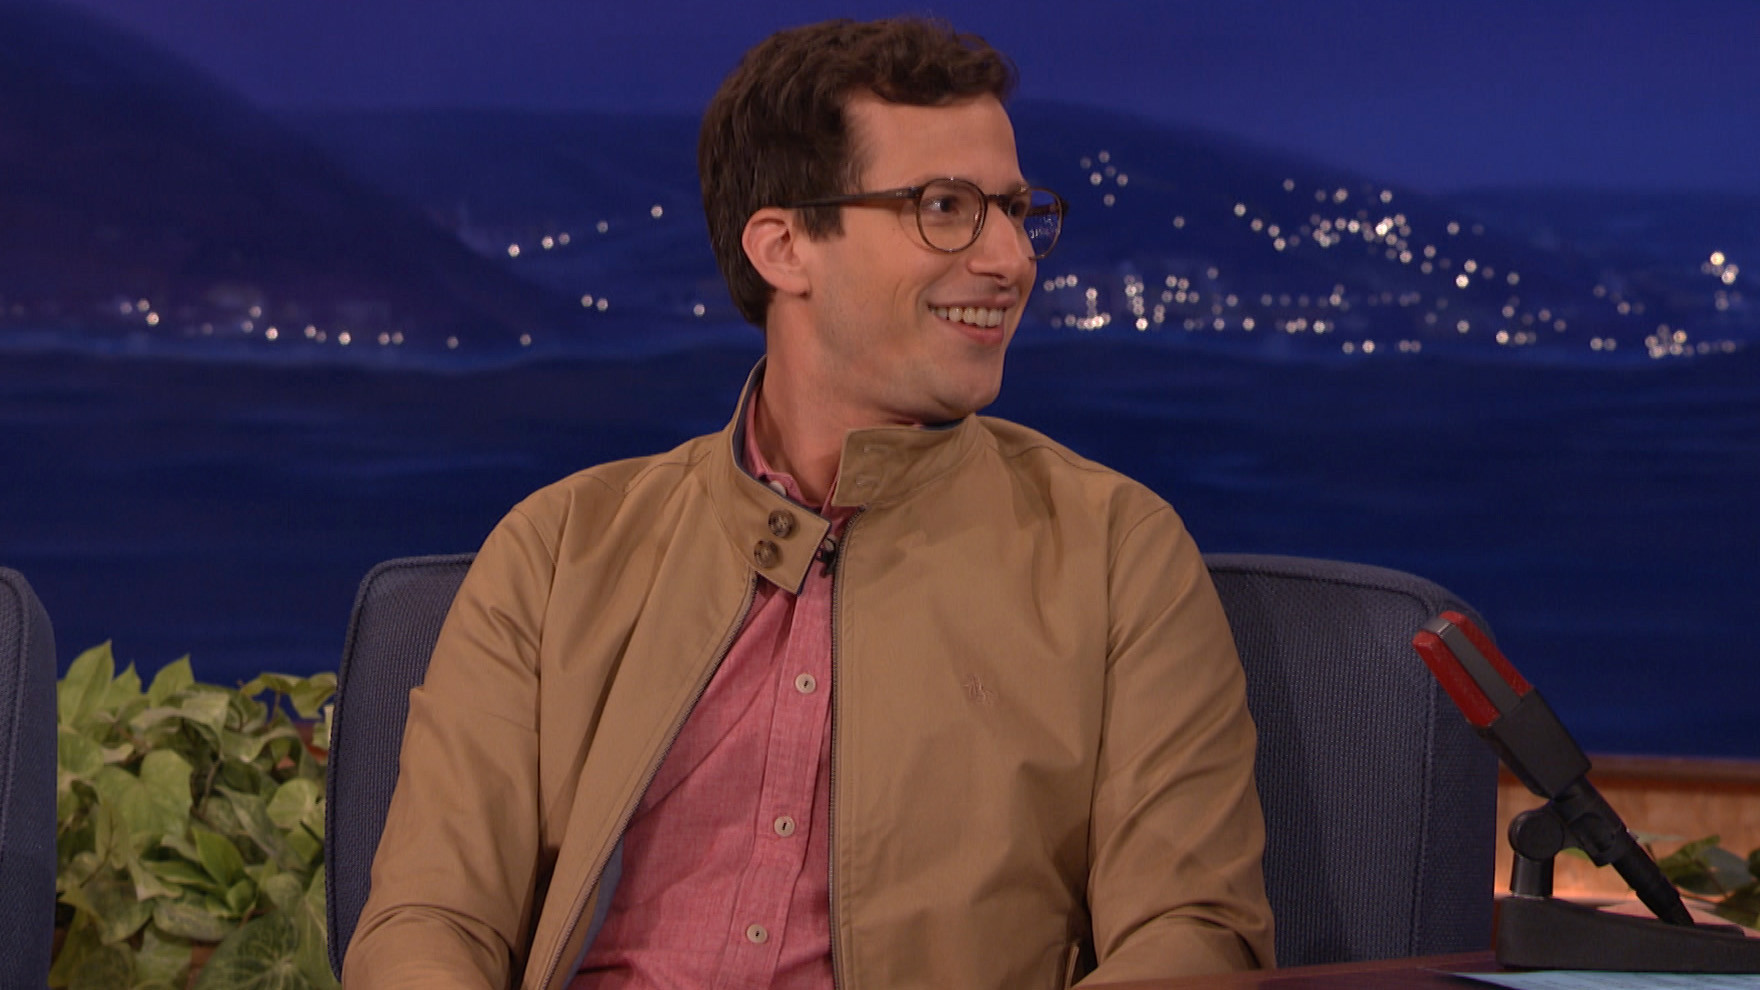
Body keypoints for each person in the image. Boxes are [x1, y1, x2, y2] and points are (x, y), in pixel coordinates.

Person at [346, 17, 1273, 990]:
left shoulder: (1115, 554)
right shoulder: (558, 550)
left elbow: (1192, 933)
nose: (1010, 258)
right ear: (784, 248)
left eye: (1013, 209)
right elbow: (428, 922)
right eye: (945, 207)